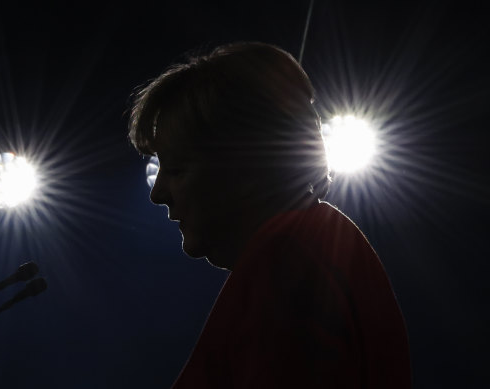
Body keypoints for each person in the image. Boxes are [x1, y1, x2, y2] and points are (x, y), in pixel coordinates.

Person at [128, 42, 411, 388]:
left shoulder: (286, 258)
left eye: (176, 169)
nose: (158, 194)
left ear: (246, 167)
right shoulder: (320, 244)